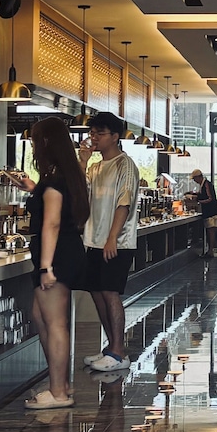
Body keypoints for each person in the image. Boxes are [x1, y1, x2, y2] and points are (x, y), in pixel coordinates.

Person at [18, 116, 90, 410]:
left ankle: (58, 392)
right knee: (41, 316)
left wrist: (46, 268)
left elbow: (52, 224)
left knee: (55, 323)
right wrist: (33, 189)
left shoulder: (54, 181)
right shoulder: (65, 177)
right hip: (67, 251)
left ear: (46, 142)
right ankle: (60, 383)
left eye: (35, 140)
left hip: (56, 256)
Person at [78, 112, 141, 374]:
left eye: (99, 133)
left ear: (115, 136)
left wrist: (112, 237)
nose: (94, 138)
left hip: (117, 241)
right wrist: (83, 162)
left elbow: (124, 202)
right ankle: (112, 348)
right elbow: (81, 195)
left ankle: (118, 351)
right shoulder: (95, 167)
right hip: (92, 240)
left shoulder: (125, 164)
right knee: (96, 292)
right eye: (92, 133)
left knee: (110, 292)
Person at [190, 168, 217, 257]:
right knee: (210, 232)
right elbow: (204, 195)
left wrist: (198, 200)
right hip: (211, 212)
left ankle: (210, 251)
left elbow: (209, 198)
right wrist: (195, 194)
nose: (194, 181)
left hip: (210, 212)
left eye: (194, 179)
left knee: (211, 232)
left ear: (199, 177)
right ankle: (210, 250)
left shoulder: (206, 184)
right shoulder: (204, 184)